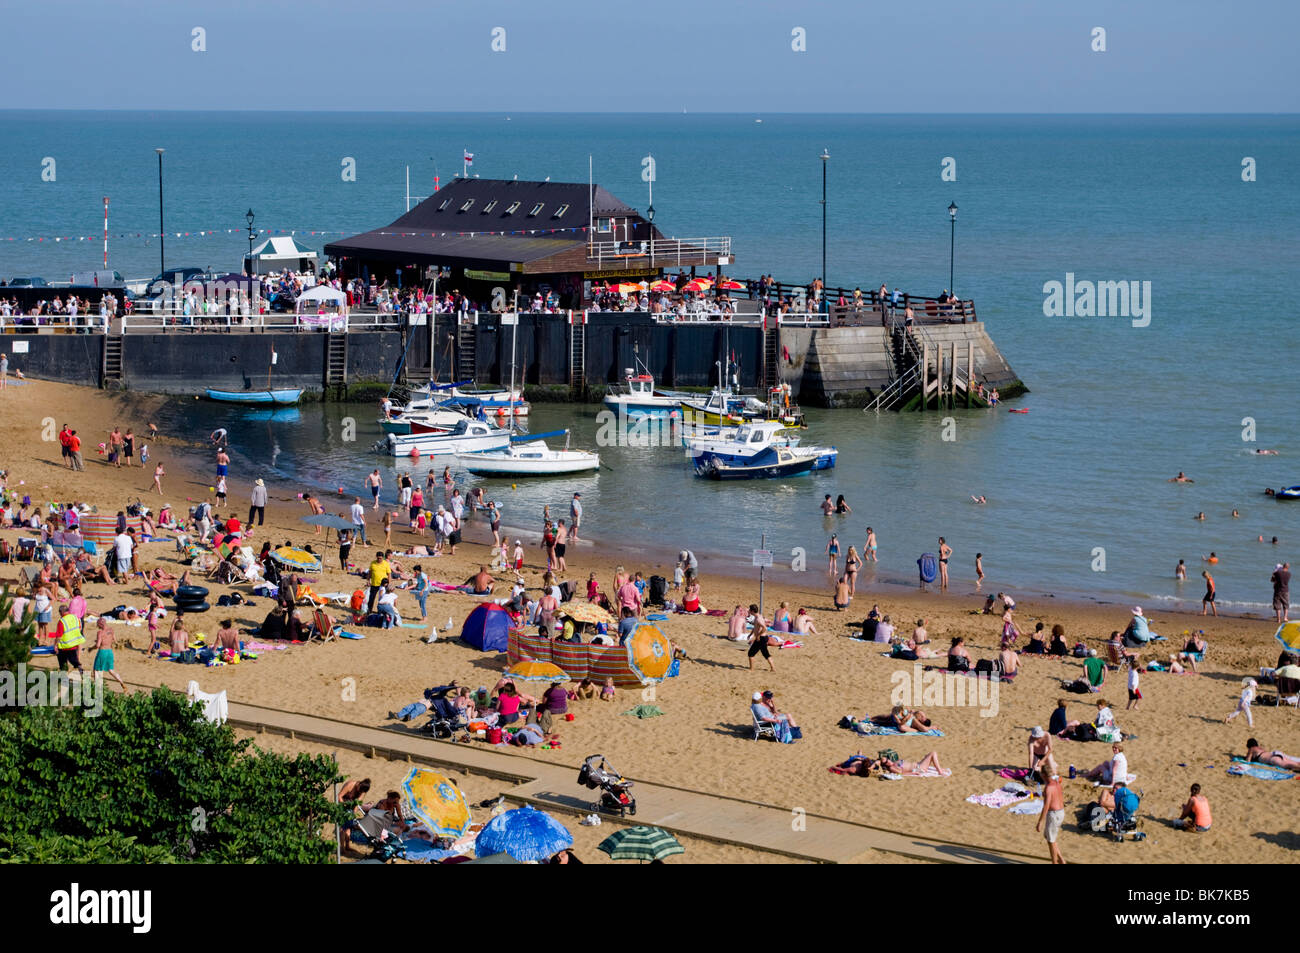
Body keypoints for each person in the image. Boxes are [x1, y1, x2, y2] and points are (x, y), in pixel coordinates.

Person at [1036, 772, 1066, 864]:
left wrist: (1040, 822)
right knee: (1048, 836)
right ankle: (1061, 860)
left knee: (1051, 841)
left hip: (1054, 814)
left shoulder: (1049, 787)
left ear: (1043, 775)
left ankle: (1055, 862)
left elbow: (1046, 806)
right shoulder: (1056, 783)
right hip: (1060, 812)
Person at [747, 605, 773, 672]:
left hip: (761, 638)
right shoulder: (758, 616)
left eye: (750, 610)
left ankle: (751, 669)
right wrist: (750, 634)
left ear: (752, 611)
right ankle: (773, 668)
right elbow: (755, 627)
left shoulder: (758, 618)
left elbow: (764, 628)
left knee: (751, 653)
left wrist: (758, 635)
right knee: (765, 653)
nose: (749, 611)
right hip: (762, 638)